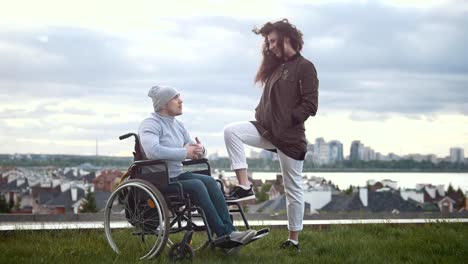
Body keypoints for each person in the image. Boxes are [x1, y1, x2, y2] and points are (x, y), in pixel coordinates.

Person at [223, 19, 319, 251]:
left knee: (292, 188)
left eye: (273, 41)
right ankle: (245, 186)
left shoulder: (305, 67)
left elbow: (310, 105)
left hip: (289, 137)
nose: (271, 46)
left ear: (288, 38)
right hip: (266, 129)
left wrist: (288, 119)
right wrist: (261, 112)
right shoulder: (276, 67)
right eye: (268, 42)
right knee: (231, 131)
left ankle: (293, 240)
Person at [139, 85, 256, 255]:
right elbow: (152, 151)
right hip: (159, 180)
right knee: (197, 185)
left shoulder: (178, 125)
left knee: (210, 181)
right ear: (164, 103)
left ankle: (230, 232)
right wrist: (184, 152)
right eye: (175, 97)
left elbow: (192, 148)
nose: (181, 100)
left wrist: (200, 150)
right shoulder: (150, 124)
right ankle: (225, 235)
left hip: (177, 175)